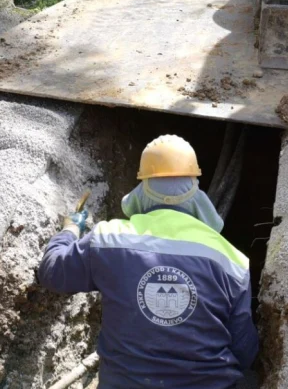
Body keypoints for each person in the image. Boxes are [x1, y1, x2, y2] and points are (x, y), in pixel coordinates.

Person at [37, 135, 258, 388]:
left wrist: (70, 231)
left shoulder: (108, 239)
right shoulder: (233, 261)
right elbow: (245, 352)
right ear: (195, 190)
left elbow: (52, 272)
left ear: (142, 188)